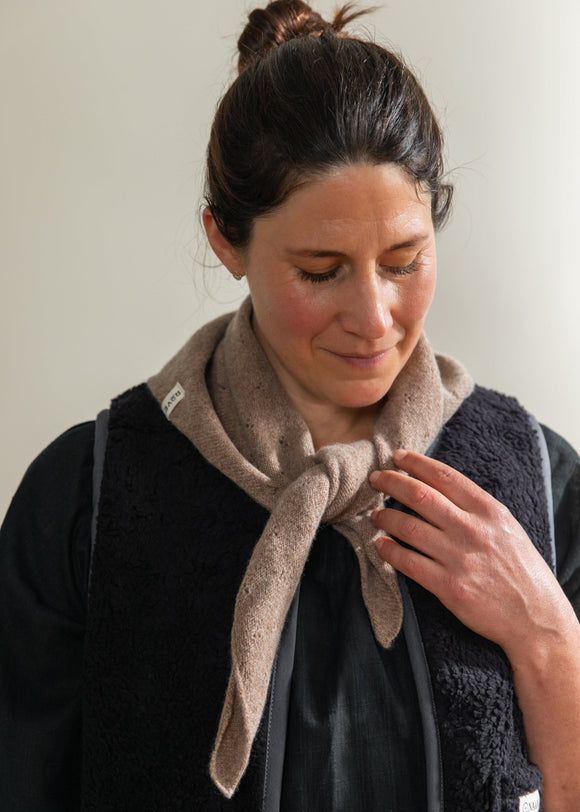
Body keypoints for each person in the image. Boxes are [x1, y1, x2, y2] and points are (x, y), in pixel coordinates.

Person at [1, 1, 579, 810]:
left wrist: (549, 642)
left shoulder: (543, 489)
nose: (375, 318)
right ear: (225, 240)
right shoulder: (86, 502)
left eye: (405, 260)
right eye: (320, 270)